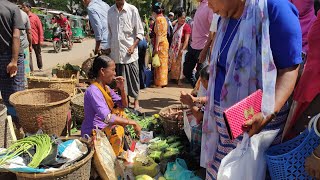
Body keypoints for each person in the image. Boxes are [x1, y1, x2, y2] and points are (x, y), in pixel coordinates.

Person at [204, 0, 302, 178]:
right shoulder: (224, 19)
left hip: (256, 125)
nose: (207, 5)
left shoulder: (274, 9)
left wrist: (267, 112)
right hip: (223, 126)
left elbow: (289, 70)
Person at [81, 55, 141, 156]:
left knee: (121, 114)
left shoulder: (106, 88)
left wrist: (122, 89)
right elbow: (107, 117)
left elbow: (123, 105)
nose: (115, 74)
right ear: (102, 71)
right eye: (113, 70)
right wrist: (132, 122)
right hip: (94, 132)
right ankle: (114, 158)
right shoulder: (93, 91)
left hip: (104, 128)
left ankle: (119, 150)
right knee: (117, 129)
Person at [107, 0, 144, 110]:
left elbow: (140, 32)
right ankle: (125, 102)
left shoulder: (132, 10)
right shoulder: (110, 11)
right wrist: (108, 47)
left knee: (134, 80)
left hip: (130, 54)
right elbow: (110, 33)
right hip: (116, 54)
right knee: (120, 81)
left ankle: (136, 102)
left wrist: (133, 46)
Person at [0, 0, 25, 127]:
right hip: (11, 56)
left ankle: (9, 124)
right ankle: (18, 126)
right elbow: (16, 36)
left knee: (4, 91)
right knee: (17, 92)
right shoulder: (13, 8)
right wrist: (14, 60)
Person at [180, 66, 210, 156]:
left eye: (202, 81)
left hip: (211, 132)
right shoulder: (216, 89)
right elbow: (206, 98)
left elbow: (199, 116)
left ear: (205, 81)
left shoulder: (212, 92)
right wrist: (195, 99)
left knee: (196, 128)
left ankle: (197, 156)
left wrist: (190, 103)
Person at [183, 0, 213, 88]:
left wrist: (205, 50)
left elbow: (212, 32)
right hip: (193, 46)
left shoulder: (210, 6)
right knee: (187, 71)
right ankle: (197, 91)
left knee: (202, 76)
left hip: (203, 47)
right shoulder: (200, 6)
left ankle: (200, 96)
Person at [169, 8, 191, 85]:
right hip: (174, 47)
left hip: (181, 47)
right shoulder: (176, 25)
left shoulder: (186, 27)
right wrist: (177, 21)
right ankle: (173, 77)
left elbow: (186, 40)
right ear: (178, 18)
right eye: (181, 18)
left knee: (180, 64)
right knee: (174, 63)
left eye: (184, 18)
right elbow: (170, 24)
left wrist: (183, 49)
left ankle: (180, 79)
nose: (183, 19)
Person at [21, 2, 43, 72]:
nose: (23, 8)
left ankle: (40, 67)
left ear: (29, 8)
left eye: (24, 7)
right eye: (22, 7)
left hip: (36, 39)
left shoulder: (35, 17)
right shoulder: (22, 17)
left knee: (38, 54)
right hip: (27, 40)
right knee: (29, 55)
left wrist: (41, 39)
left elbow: (40, 28)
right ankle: (31, 70)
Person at [152, 2, 169, 88]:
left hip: (160, 43)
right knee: (163, 62)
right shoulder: (164, 19)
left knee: (159, 63)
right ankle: (163, 82)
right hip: (165, 42)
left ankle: (160, 83)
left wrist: (156, 47)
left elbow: (158, 35)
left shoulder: (158, 20)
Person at [19, 9, 32, 83]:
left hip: (9, 46)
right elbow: (29, 32)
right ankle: (25, 83)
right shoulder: (24, 15)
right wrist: (30, 45)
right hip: (23, 45)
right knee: (25, 66)